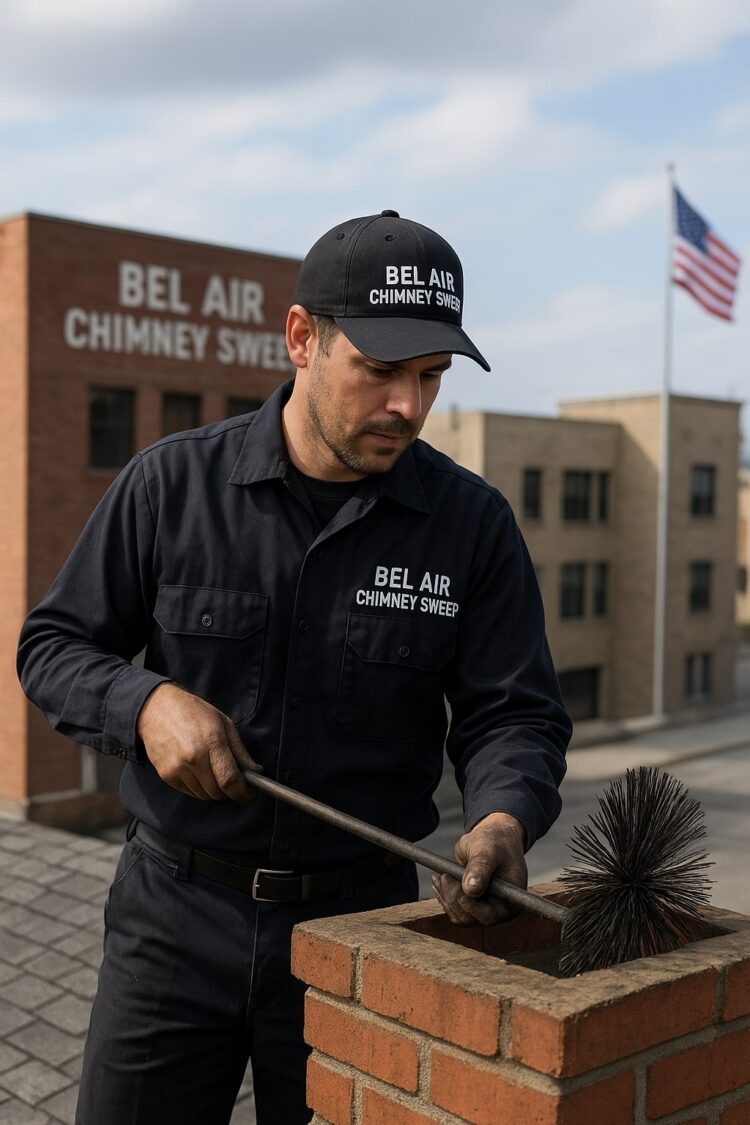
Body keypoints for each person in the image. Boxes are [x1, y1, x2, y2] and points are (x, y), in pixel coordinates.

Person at [17, 209, 571, 1124]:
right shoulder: (170, 486)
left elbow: (514, 714)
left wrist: (504, 816)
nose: (409, 405)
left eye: (430, 377)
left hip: (364, 930)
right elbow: (52, 648)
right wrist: (146, 702)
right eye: (382, 371)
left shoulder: (472, 527)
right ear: (302, 338)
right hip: (172, 919)